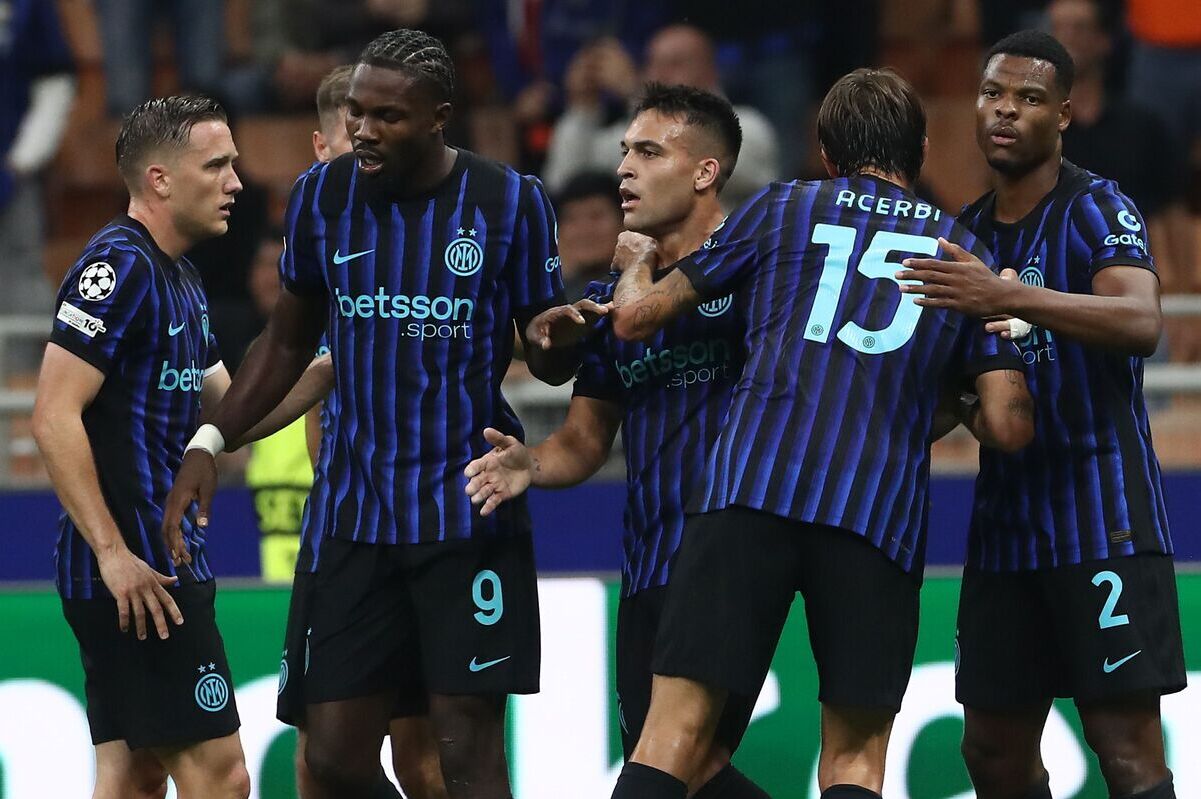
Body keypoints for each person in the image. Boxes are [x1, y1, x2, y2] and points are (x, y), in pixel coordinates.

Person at [583, 68, 1035, 799]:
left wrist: (634, 265)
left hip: (749, 489)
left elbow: (634, 319)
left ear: (824, 152)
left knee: (673, 734)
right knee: (853, 758)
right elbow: (1009, 425)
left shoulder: (779, 209)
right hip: (873, 510)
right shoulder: (961, 255)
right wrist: (986, 341)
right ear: (919, 148)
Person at [162, 28, 578, 799]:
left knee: (467, 752)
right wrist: (209, 441)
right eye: (355, 111)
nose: (362, 129)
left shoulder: (508, 201)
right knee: (333, 759)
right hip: (354, 517)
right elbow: (286, 341)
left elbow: (546, 351)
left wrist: (559, 345)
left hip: (465, 513)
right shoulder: (324, 194)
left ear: (437, 116)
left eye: (387, 116)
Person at [896, 30, 1187, 799]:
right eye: (992, 94)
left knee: (1124, 748)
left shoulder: (1097, 205)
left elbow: (1139, 322)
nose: (1003, 111)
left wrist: (1008, 296)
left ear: (1062, 115)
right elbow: (941, 388)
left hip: (1105, 517)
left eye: (1027, 99)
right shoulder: (964, 234)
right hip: (1005, 530)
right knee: (990, 749)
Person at [465, 83, 769, 799]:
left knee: (670, 763)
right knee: (680, 767)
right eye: (624, 149)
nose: (624, 166)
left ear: (704, 172)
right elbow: (583, 439)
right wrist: (526, 464)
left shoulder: (759, 273)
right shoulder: (609, 300)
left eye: (647, 151)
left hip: (728, 556)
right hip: (649, 560)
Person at [32, 96, 249, 799]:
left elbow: (236, 407)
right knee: (221, 776)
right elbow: (52, 414)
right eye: (216, 165)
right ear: (158, 178)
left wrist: (344, 353)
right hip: (137, 576)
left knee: (134, 778)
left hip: (155, 565)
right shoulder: (117, 267)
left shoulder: (182, 278)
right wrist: (111, 552)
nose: (235, 182)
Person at [254, 62, 448, 799]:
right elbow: (297, 367)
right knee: (320, 759)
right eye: (351, 132)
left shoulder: (420, 239)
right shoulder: (321, 236)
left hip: (418, 524)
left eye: (381, 129)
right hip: (339, 528)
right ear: (321, 144)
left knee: (423, 758)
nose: (367, 146)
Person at [542, 24, 779, 211]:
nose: (660, 74)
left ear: (710, 69)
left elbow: (690, 161)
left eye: (675, 63)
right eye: (653, 63)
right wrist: (583, 108)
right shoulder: (627, 138)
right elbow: (564, 181)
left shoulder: (749, 126)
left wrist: (635, 95)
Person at [1049, 0, 1195, 291]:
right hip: (1057, 284)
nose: (1067, 39)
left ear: (1104, 41)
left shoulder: (1143, 125)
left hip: (1138, 283)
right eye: (1058, 29)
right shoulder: (1040, 128)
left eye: (1079, 28)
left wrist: (1183, 296)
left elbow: (1173, 211)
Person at [553, 171, 624, 300]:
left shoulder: (648, 291)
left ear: (624, 223)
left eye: (596, 216)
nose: (584, 231)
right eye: (571, 219)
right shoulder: (544, 301)